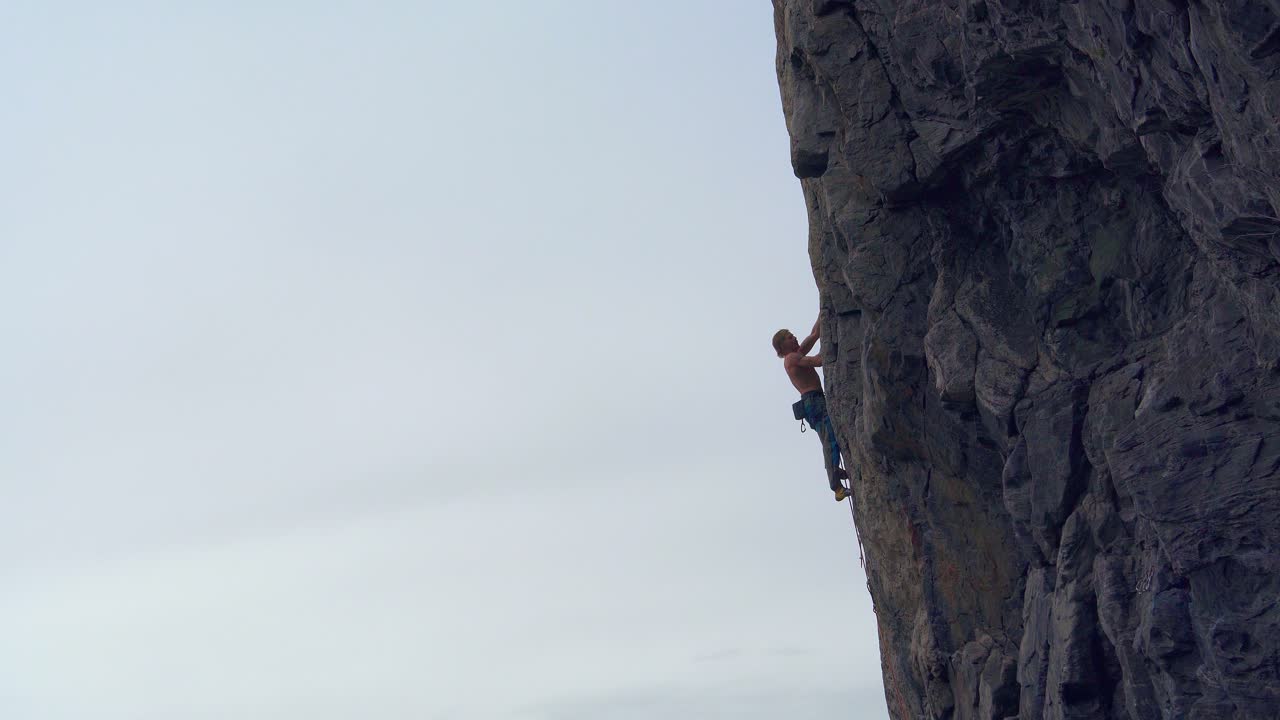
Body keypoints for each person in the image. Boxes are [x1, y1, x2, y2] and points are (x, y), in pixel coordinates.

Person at [772, 317, 851, 501]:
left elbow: (815, 334)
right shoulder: (792, 358)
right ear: (783, 346)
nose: (794, 338)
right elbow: (819, 361)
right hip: (813, 402)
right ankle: (836, 487)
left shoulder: (796, 354)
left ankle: (834, 471)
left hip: (814, 401)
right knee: (829, 437)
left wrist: (823, 314)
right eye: (790, 337)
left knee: (830, 436)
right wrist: (833, 342)